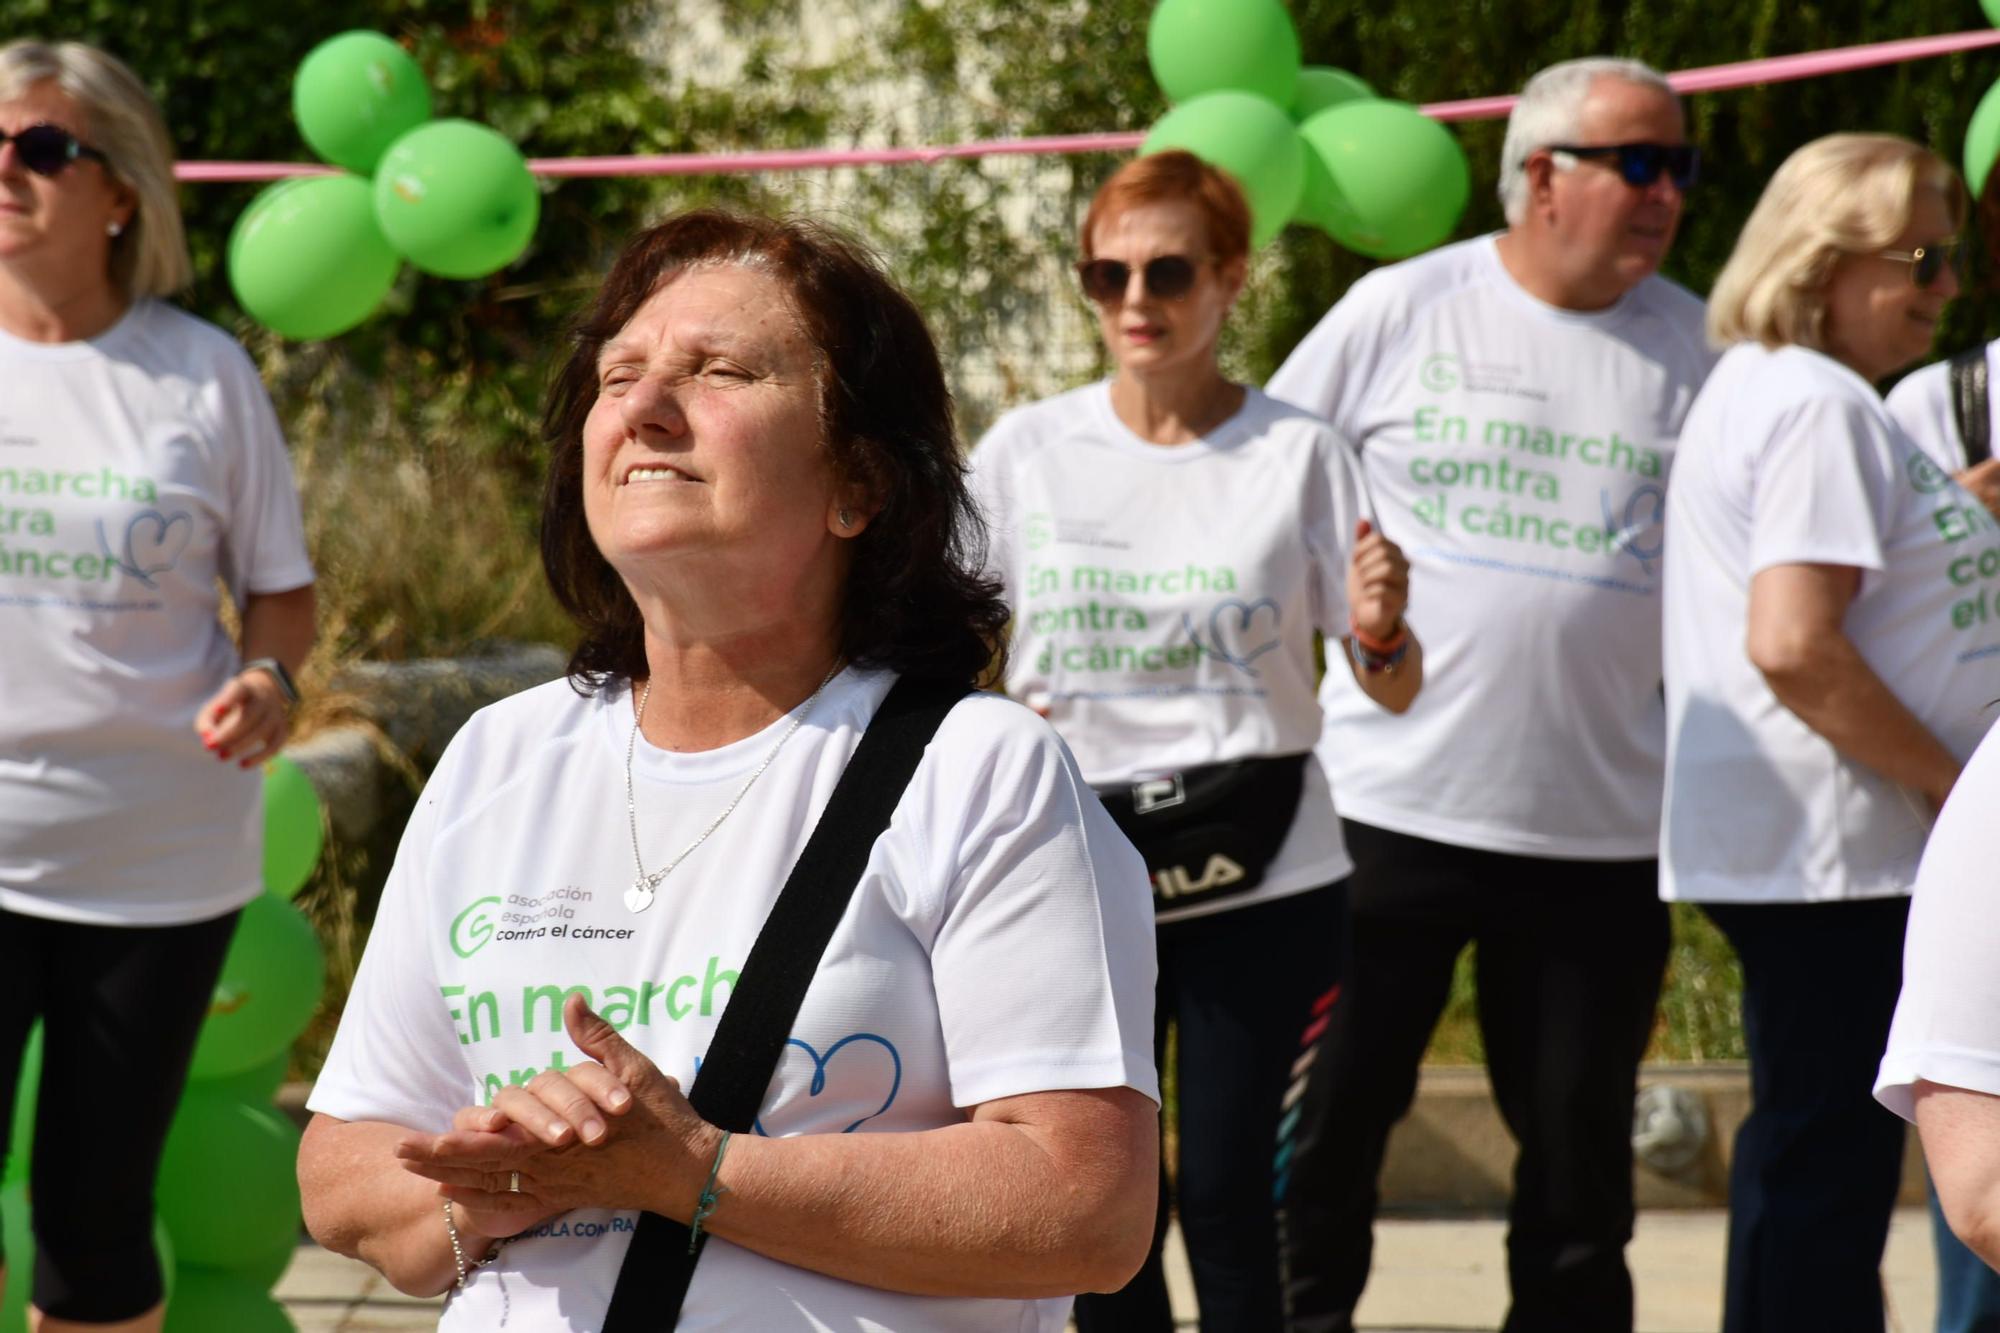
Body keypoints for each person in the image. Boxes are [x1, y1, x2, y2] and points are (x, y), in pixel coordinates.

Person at [297, 210, 1161, 1331]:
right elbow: (342, 1169)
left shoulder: (978, 771)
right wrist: (510, 1173)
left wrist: (694, 1171)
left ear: (858, 484)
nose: (647, 406)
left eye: (718, 371)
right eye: (620, 374)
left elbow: (1081, 1204)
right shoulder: (498, 758)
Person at [1265, 56, 1713, 1332]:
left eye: (1678, 166)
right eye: (1637, 161)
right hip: (1381, 811)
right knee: (1330, 1130)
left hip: (1600, 829)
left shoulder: (1700, 347)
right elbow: (1269, 480)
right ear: (1538, 175)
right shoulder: (1403, 309)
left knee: (1580, 1174)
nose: (1664, 191)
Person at [967, 149, 1419, 1330]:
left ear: (1227, 280)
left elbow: (1393, 682)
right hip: (1073, 864)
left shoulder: (1297, 451)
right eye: (1101, 273)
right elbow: (940, 635)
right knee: (1105, 1205)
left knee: (1225, 1195)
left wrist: (1377, 630)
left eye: (1164, 270)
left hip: (1263, 867)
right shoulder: (1026, 451)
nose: (1131, 300)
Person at [0, 38, 317, 1333]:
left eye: (40, 148)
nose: (6, 172)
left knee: (94, 1216)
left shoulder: (203, 376)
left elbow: (281, 593)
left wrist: (270, 677)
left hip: (158, 865)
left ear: (121, 188)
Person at [1664, 132, 2000, 1333]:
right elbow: (1793, 641)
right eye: (1920, 258)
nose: (1945, 289)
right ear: (1824, 260)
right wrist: (1961, 793)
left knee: (1804, 1161)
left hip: (1812, 842)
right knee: (1821, 1174)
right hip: (1835, 849)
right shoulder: (1813, 403)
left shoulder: (1777, 391)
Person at [1882, 180, 2000, 1333]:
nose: (1944, 283)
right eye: (1917, 257)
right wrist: (1963, 515)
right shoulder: (1940, 404)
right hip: (1936, 802)